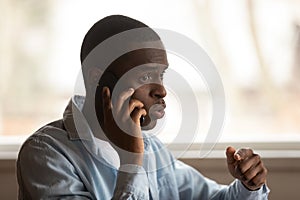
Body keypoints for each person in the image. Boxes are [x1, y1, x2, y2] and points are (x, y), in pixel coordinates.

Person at [17, 15, 269, 199]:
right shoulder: (46, 154)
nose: (161, 91)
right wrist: (131, 163)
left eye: (161, 76)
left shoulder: (151, 148)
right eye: (145, 77)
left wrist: (248, 186)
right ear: (98, 78)